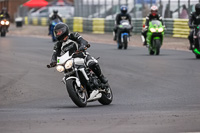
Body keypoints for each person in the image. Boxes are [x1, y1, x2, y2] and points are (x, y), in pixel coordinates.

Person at [48, 23, 108, 96]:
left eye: (59, 32)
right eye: (56, 32)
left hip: (82, 56)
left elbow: (83, 41)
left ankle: (101, 77)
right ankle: (77, 89)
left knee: (92, 64)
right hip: (69, 61)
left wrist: (83, 46)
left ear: (64, 30)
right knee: (66, 74)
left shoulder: (73, 35)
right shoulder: (58, 44)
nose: (58, 34)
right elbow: (55, 54)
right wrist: (53, 61)